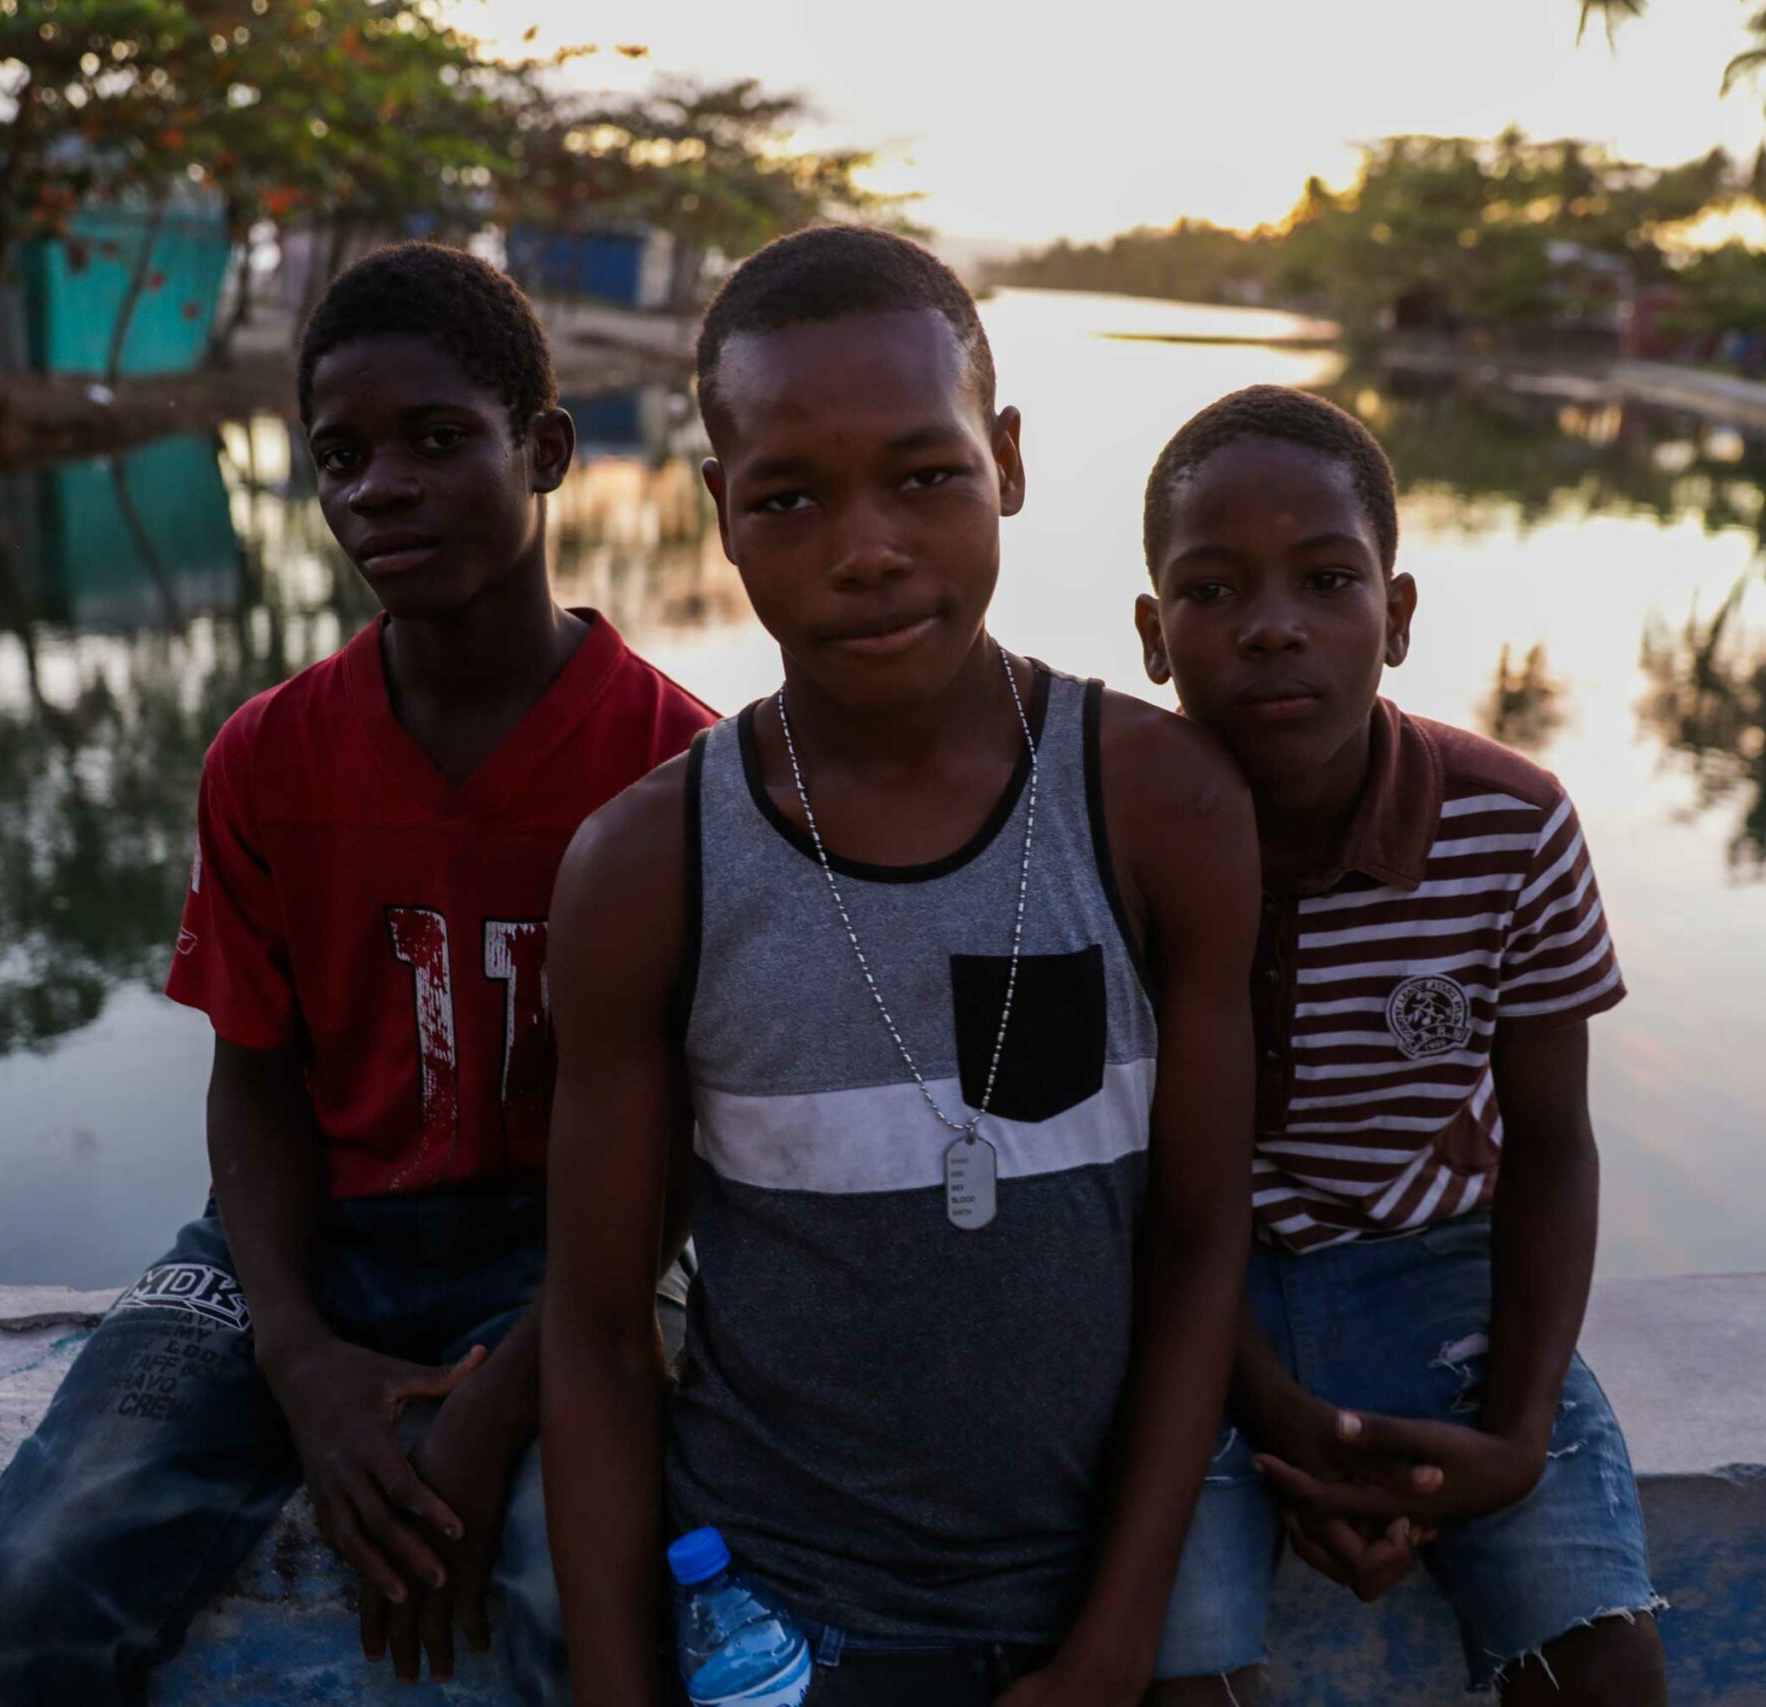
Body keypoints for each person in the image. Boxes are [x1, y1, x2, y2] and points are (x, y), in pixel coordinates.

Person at [0, 241, 712, 1705]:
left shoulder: (675, 767)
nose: (382, 490)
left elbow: (681, 1145)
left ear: (544, 450)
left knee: (569, 1590)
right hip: (296, 1249)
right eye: (343, 457)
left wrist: (502, 1406)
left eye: (437, 441)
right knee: (42, 1577)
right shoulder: (269, 754)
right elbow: (257, 1078)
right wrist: (295, 1354)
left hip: (574, 1258)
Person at [539, 225, 1264, 1707]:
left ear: (1005, 459)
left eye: (925, 477)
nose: (867, 549)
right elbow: (601, 1330)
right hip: (779, 1631)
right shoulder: (647, 869)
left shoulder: (1161, 807)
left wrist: (1122, 1637)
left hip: (1091, 1616)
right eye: (791, 499)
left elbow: (1199, 1245)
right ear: (719, 510)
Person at [1133, 385, 1668, 1704]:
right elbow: (1110, 1175)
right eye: (1213, 592)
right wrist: (1276, 1412)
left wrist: (1518, 1436)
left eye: (1327, 579)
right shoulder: (1112, 828)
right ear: (1154, 634)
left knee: (1604, 1666)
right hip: (1175, 1277)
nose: (1273, 627)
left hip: (1436, 1277)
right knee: (1170, 1667)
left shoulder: (1512, 825)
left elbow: (1550, 1147)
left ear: (1401, 614)